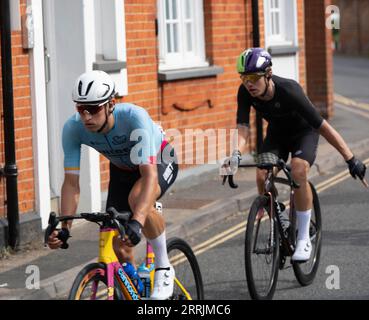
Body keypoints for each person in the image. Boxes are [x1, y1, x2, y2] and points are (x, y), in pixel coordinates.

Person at [224, 47, 367, 262]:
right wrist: (234, 155)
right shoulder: (244, 92)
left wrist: (350, 158)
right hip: (277, 134)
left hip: (304, 133)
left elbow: (323, 127)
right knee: (262, 175)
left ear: (268, 74)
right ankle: (281, 220)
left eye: (254, 77)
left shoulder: (289, 90)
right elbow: (243, 128)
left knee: (299, 170)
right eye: (244, 77)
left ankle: (303, 238)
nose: (248, 83)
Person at [47, 70, 178, 299]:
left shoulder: (134, 118)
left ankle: (164, 266)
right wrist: (65, 227)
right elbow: (71, 183)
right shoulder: (72, 128)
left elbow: (148, 176)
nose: (87, 117)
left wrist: (137, 220)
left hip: (159, 159)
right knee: (120, 245)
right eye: (81, 109)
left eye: (94, 109)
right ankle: (140, 292)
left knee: (137, 201)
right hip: (122, 171)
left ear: (111, 105)